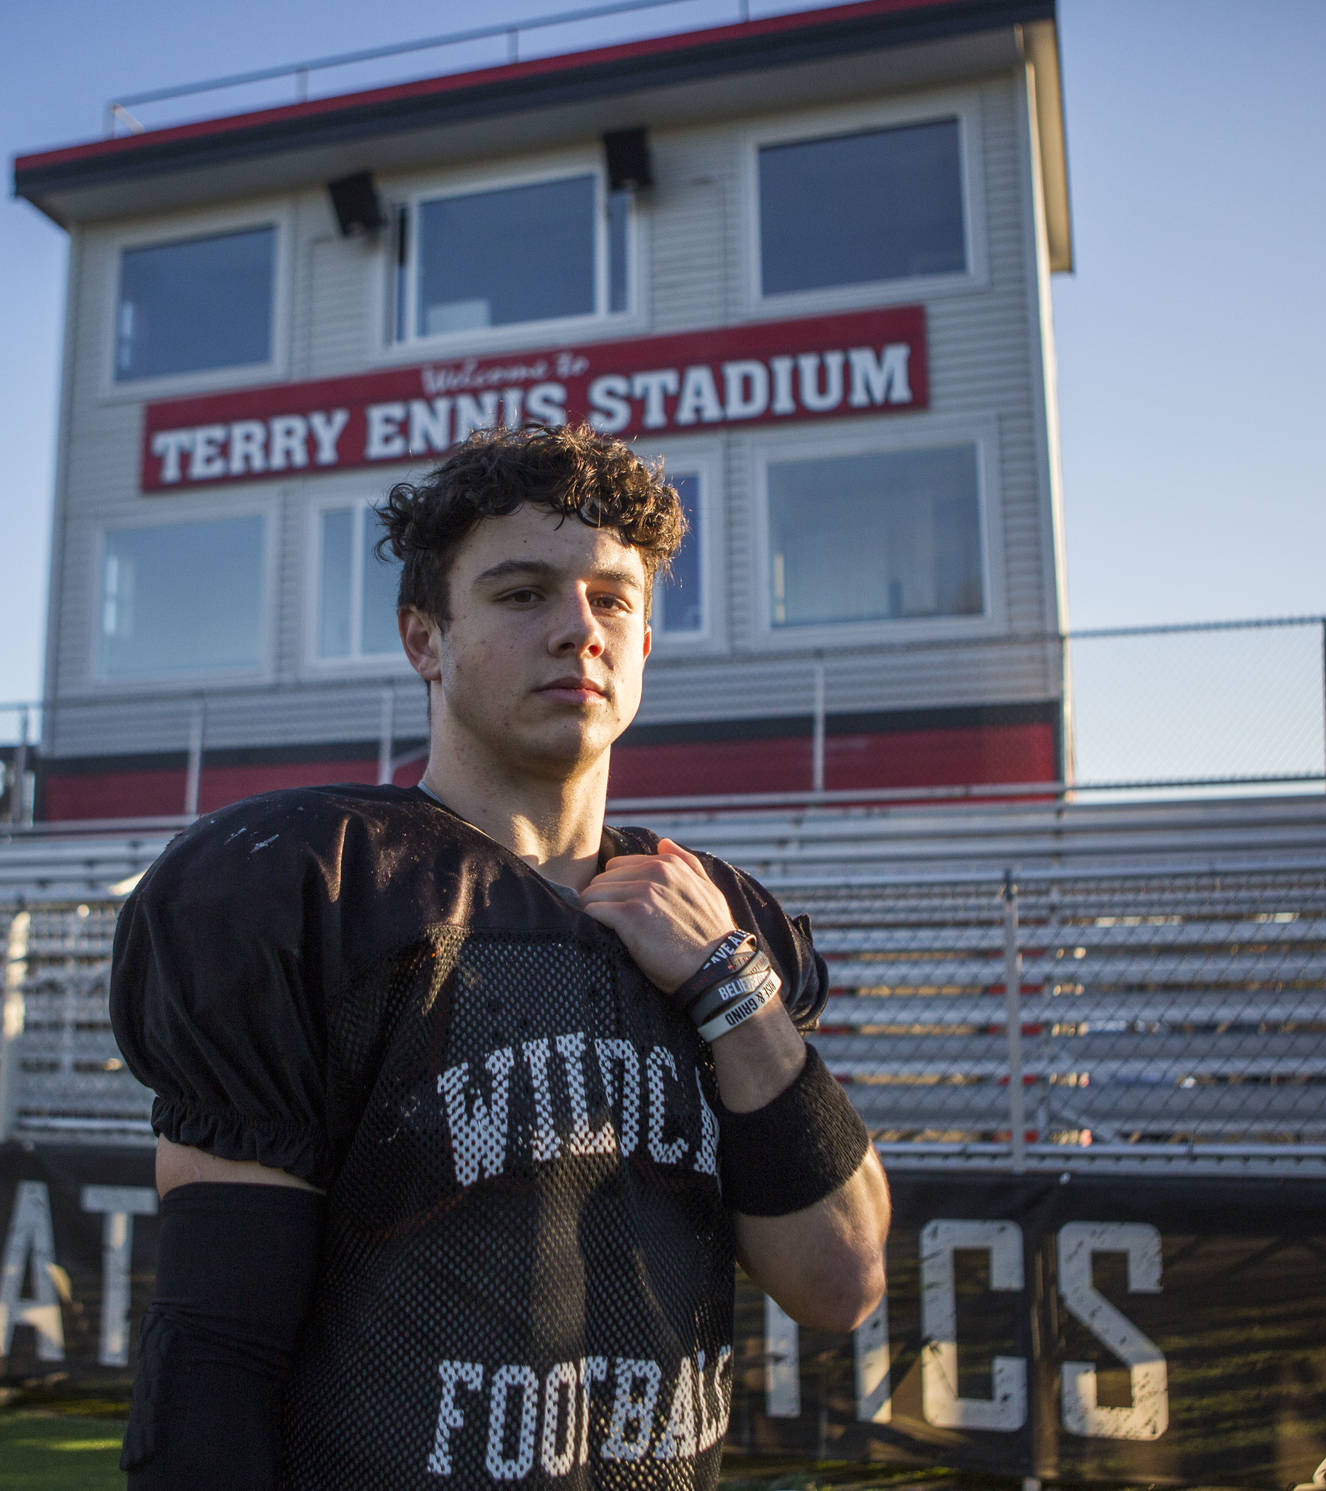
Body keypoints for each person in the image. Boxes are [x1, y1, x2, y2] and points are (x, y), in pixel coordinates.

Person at [109, 422, 890, 1490]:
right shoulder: (321, 887)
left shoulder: (719, 919)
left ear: (646, 643)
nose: (580, 630)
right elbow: (215, 1349)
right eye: (522, 594)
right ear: (423, 638)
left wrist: (729, 992)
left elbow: (840, 1284)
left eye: (612, 598)